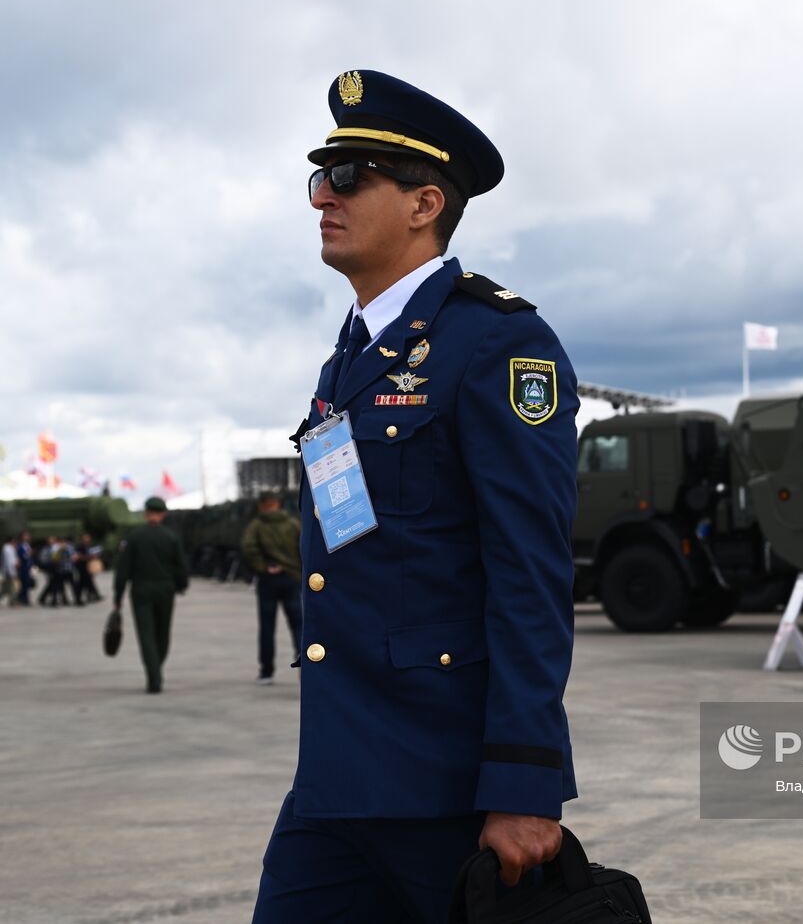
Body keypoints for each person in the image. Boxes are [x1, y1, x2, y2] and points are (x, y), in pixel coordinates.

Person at [251, 70, 579, 923]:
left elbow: (529, 572)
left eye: (351, 177)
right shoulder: (352, 355)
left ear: (426, 203)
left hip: (445, 786)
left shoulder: (497, 342)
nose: (325, 195)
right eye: (321, 177)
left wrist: (524, 783)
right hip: (336, 775)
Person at [112, 497, 190, 693]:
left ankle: (153, 675)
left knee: (146, 634)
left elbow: (123, 569)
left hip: (141, 590)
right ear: (163, 514)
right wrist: (181, 586)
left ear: (146, 514)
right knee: (162, 633)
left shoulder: (134, 537)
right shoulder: (171, 537)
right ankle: (157, 669)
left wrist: (118, 595)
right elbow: (181, 565)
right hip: (165, 589)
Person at [239, 491, 304, 685]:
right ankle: (305, 670)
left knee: (267, 627)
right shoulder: (293, 523)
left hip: (268, 581)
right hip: (292, 579)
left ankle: (266, 672)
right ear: (278, 504)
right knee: (298, 626)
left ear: (261, 505)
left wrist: (264, 567)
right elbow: (303, 547)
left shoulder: (257, 525)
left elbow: (248, 547)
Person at [16, 531, 33, 606]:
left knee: (27, 583)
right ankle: (22, 599)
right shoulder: (19, 546)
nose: (27, 537)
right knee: (23, 583)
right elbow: (22, 556)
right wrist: (28, 554)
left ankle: (25, 599)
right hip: (23, 567)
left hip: (28, 567)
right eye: (25, 536)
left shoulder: (28, 545)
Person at [1, 536, 17, 608]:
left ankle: (12, 601)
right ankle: (12, 602)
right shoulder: (7, 549)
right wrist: (11, 572)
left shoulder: (9, 548)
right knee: (12, 587)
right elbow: (9, 562)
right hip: (9, 571)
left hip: (9, 571)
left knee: (6, 588)